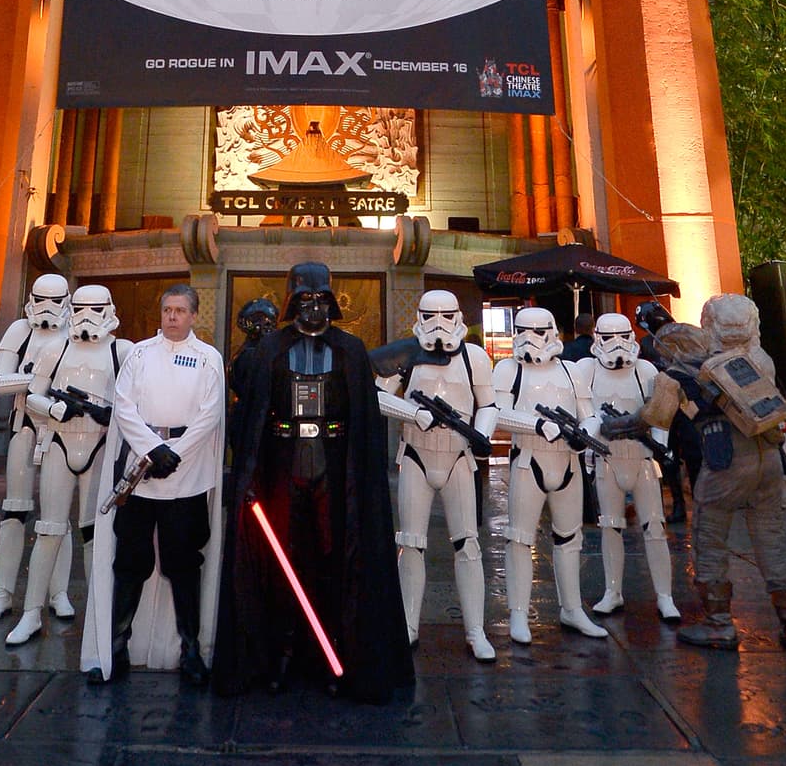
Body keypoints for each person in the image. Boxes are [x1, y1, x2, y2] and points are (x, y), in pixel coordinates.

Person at [213, 261, 413, 702]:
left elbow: (364, 419)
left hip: (333, 467)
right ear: (291, 303)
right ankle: (282, 654)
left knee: (332, 560)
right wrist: (248, 474)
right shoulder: (270, 350)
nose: (314, 308)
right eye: (305, 300)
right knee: (281, 561)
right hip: (283, 467)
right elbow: (249, 416)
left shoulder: (350, 351)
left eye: (321, 300)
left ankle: (332, 656)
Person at [616, 295, 786, 654]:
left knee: (709, 539)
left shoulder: (676, 374)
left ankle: (719, 624)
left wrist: (615, 425)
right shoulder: (759, 360)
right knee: (772, 541)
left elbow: (653, 417)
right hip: (769, 457)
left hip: (726, 462)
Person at [83, 284, 225, 688]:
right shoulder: (140, 354)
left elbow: (210, 414)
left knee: (184, 565)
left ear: (194, 315)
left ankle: (191, 650)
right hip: (140, 474)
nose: (172, 317)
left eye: (180, 310)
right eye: (167, 310)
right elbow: (124, 406)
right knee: (131, 563)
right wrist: (152, 450)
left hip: (187, 475)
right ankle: (116, 648)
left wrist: (174, 454)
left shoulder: (209, 359)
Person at [373, 289, 499, 662]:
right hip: (416, 454)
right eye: (430, 316)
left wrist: (482, 434)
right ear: (419, 316)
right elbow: (378, 396)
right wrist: (414, 414)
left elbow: (488, 404)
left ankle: (475, 630)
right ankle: (408, 625)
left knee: (468, 544)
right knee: (411, 543)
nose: (439, 324)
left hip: (459, 456)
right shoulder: (407, 354)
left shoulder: (474, 357)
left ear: (458, 316)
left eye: (446, 315)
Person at [7, 285, 127, 647]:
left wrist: (112, 414)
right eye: (81, 308)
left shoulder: (122, 351)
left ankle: (98, 615)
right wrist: (54, 408)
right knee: (49, 529)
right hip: (60, 442)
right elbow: (32, 394)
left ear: (108, 309)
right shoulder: (56, 348)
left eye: (95, 309)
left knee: (94, 534)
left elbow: (136, 400)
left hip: (99, 444)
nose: (87, 316)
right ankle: (31, 612)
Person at [492, 305, 607, 643]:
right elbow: (497, 413)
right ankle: (518, 612)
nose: (531, 339)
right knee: (519, 538)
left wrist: (584, 433)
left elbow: (590, 414)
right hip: (529, 460)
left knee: (570, 538)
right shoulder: (508, 369)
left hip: (567, 462)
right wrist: (538, 425)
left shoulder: (571, 370)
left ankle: (572, 608)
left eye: (539, 332)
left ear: (553, 331)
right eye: (523, 331)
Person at [571, 313, 679, 621]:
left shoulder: (645, 370)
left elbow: (659, 414)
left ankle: (665, 596)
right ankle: (612, 591)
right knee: (610, 526)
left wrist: (659, 445)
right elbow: (584, 413)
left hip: (642, 456)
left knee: (654, 526)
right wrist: (590, 443)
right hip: (607, 456)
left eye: (622, 336)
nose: (616, 344)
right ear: (597, 338)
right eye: (608, 337)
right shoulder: (587, 370)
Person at [0, 274, 74, 625]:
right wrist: (35, 380)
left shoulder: (74, 332)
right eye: (41, 300)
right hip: (24, 423)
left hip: (60, 428)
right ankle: (3, 592)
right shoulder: (21, 330)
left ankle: (58, 592)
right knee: (14, 509)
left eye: (55, 301)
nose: (47, 309)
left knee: (57, 516)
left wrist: (33, 382)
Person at [636, 300, 700, 524]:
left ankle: (687, 503)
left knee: (684, 453)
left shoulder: (659, 340)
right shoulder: (656, 341)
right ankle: (684, 504)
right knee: (674, 453)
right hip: (673, 401)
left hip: (679, 400)